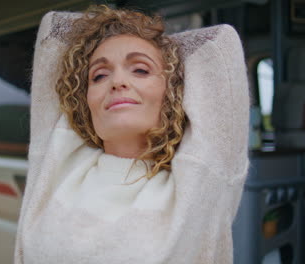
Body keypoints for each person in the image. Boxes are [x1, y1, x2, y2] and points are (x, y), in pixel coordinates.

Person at [15, 5, 249, 264]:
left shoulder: (197, 182)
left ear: (172, 92)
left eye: (140, 70)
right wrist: (116, 28)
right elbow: (53, 31)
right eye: (99, 75)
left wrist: (159, 43)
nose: (117, 81)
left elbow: (220, 44)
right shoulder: (59, 165)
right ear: (84, 100)